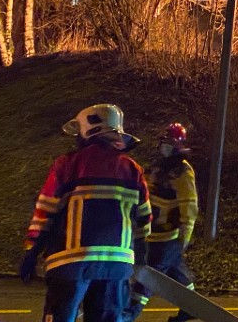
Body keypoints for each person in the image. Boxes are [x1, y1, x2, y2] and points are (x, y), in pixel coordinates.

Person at [21, 104, 152, 322]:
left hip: (71, 263)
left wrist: (32, 250)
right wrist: (140, 253)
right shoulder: (132, 169)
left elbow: (46, 210)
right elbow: (144, 219)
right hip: (117, 265)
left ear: (85, 132)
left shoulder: (68, 164)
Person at [124, 123, 200, 322]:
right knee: (175, 272)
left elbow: (189, 205)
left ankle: (129, 313)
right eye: (163, 142)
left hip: (167, 236)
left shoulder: (183, 171)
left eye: (168, 143)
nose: (164, 146)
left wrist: (186, 233)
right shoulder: (157, 167)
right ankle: (191, 307)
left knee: (149, 277)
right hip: (152, 233)